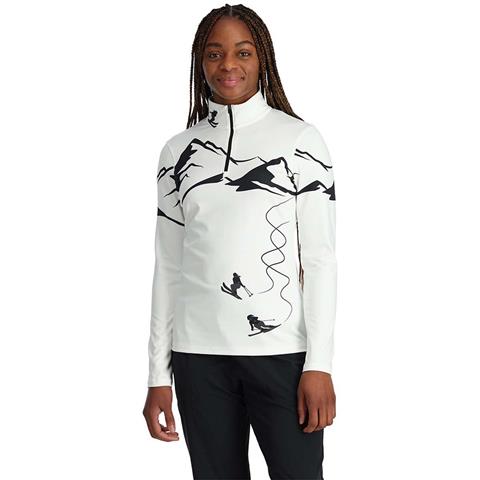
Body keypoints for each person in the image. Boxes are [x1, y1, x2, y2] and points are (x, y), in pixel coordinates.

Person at [143, 4, 337, 479]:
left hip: (282, 357)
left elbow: (319, 261)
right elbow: (168, 267)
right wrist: (157, 375)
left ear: (261, 58)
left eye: (242, 52)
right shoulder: (177, 152)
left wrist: (319, 364)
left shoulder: (301, 141)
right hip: (198, 360)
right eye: (214, 53)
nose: (228, 64)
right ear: (200, 62)